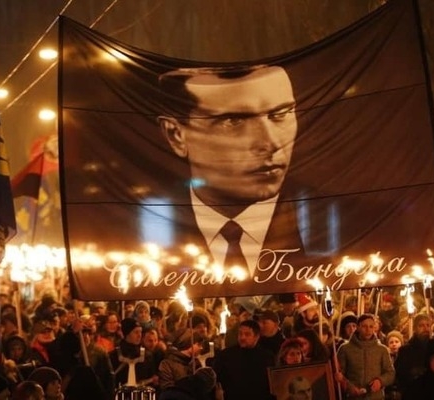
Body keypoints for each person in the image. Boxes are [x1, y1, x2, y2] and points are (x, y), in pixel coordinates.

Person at [157, 64, 304, 283]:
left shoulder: (334, 222)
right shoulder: (144, 228)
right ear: (176, 135)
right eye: (233, 121)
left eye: (280, 114)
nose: (271, 143)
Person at [213, 319, 275, 400]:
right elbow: (217, 380)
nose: (242, 337)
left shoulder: (266, 357)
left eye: (247, 334)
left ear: (256, 336)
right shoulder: (226, 355)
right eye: (240, 334)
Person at [337, 313, 395, 399]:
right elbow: (339, 374)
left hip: (375, 397)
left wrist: (380, 381)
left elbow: (390, 373)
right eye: (364, 326)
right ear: (358, 327)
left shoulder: (382, 350)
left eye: (371, 327)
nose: (368, 330)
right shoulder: (345, 349)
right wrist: (350, 387)